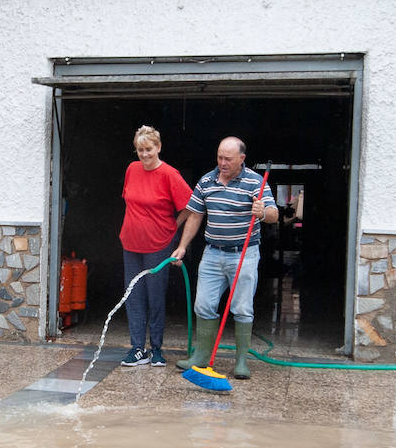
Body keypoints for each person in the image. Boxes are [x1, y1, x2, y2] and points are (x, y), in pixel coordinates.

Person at [172, 137, 278, 379]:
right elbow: (196, 215)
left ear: (242, 159)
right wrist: (182, 247)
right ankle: (200, 356)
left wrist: (262, 213)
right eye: (219, 157)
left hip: (244, 254)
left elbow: (273, 214)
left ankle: (241, 362)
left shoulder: (255, 182)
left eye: (228, 159)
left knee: (241, 308)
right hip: (212, 253)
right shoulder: (207, 181)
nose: (222, 162)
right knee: (203, 305)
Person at [118, 125, 192, 367]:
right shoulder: (132, 169)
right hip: (131, 242)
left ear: (158, 147)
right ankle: (137, 348)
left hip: (158, 244)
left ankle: (156, 348)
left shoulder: (170, 174)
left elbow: (191, 206)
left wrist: (173, 226)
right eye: (140, 150)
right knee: (134, 295)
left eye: (148, 149)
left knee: (155, 297)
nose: (144, 154)